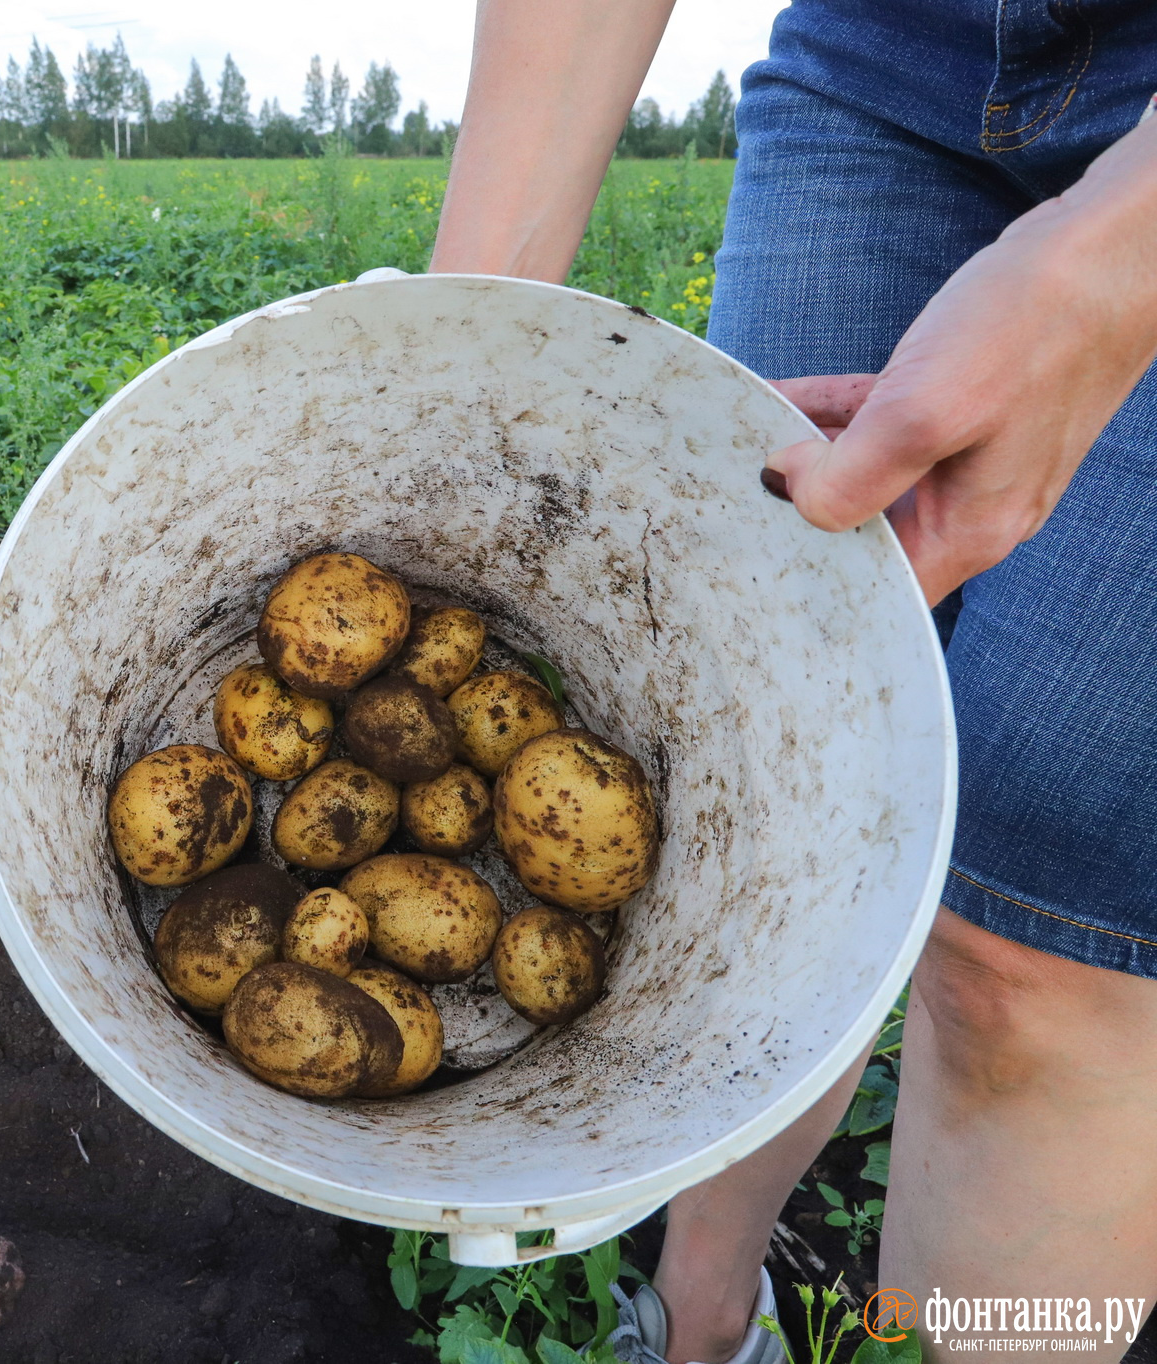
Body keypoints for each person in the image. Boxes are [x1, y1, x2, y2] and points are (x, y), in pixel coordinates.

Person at [435, 2, 1157, 1360]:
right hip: (884, 59)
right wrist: (466, 338)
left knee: (1030, 962)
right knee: (770, 827)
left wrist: (1109, 271)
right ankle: (705, 1316)